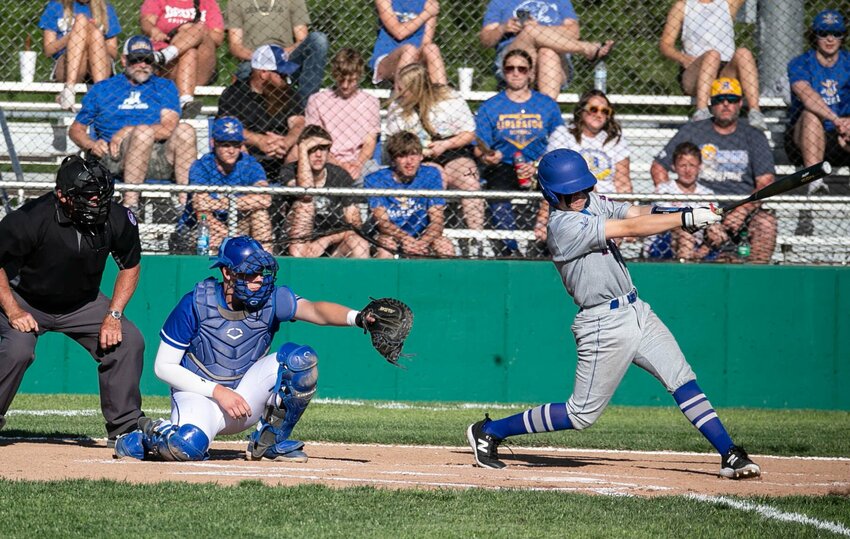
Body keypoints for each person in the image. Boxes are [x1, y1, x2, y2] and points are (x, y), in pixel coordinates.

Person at [467, 149, 761, 481]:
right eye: (570, 191)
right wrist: (683, 220)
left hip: (636, 310)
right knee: (581, 415)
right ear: (551, 193)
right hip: (602, 324)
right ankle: (490, 430)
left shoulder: (590, 201)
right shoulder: (563, 226)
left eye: (582, 187)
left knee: (682, 379)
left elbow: (636, 210)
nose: (578, 195)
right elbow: (632, 227)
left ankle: (730, 453)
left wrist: (687, 210)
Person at [112, 235, 387, 462]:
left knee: (301, 360)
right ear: (227, 272)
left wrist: (358, 317)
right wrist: (218, 392)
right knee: (188, 446)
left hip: (245, 395)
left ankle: (270, 441)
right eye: (250, 273)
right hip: (201, 396)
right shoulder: (196, 302)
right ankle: (146, 434)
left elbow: (316, 311)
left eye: (261, 273)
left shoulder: (272, 298)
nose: (259, 280)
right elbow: (163, 367)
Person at [0, 156, 145, 445]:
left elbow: (130, 265)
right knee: (18, 349)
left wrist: (113, 315)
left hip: (83, 302)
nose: (96, 202)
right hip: (24, 299)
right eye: (87, 196)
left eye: (101, 194)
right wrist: (13, 310)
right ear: (62, 195)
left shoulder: (117, 218)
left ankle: (126, 428)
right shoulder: (30, 218)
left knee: (129, 340)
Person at [650, 77, 777, 263]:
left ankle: (754, 278)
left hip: (741, 209)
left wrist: (741, 211)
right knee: (684, 228)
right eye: (719, 99)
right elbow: (658, 167)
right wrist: (673, 198)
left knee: (767, 224)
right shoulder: (694, 130)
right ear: (711, 103)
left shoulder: (753, 135)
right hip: (697, 207)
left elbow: (766, 182)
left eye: (731, 99)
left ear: (740, 103)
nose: (725, 104)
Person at [68, 35, 198, 214]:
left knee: (185, 130)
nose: (143, 65)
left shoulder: (164, 87)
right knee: (143, 133)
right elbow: (76, 129)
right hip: (114, 157)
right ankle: (131, 207)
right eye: (136, 60)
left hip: (158, 157)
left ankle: (186, 208)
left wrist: (128, 130)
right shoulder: (103, 89)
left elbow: (169, 127)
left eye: (148, 60)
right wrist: (91, 144)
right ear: (124, 60)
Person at [475, 49, 563, 256]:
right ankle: (511, 248)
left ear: (531, 73)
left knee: (558, 188)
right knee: (498, 193)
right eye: (510, 68)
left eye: (522, 69)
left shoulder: (546, 105)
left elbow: (560, 137)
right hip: (503, 164)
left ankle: (545, 244)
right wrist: (487, 155)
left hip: (539, 164)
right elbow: (479, 146)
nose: (516, 73)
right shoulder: (491, 106)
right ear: (503, 72)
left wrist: (541, 161)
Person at [384, 63, 484, 237]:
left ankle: (477, 237)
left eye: (401, 88)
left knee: (470, 178)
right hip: (417, 155)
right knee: (436, 177)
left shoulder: (449, 98)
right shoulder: (398, 107)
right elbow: (393, 144)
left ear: (415, 88)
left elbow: (469, 133)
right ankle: (432, 235)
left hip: (452, 149)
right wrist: (419, 152)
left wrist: (445, 145)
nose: (397, 91)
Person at [660, 0, 766, 129]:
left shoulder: (727, 3)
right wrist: (683, 58)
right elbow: (666, 44)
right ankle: (701, 111)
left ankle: (755, 112)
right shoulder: (683, 6)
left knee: (743, 53)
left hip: (724, 71)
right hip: (695, 69)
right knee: (712, 55)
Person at [480, 0, 614, 99]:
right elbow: (485, 40)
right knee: (530, 31)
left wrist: (539, 29)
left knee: (547, 51)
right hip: (514, 60)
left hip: (556, 64)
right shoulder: (500, 2)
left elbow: (574, 32)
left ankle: (545, 116)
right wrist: (503, 28)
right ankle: (586, 49)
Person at [785, 9, 850, 195]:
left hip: (842, 133)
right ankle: (815, 181)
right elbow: (806, 95)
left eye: (836, 33)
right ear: (814, 35)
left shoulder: (848, 62)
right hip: (804, 136)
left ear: (842, 37)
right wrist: (837, 120)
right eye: (823, 33)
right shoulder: (801, 62)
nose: (830, 39)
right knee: (811, 114)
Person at [218, 44, 304, 180]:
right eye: (280, 74)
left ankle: (292, 193)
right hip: (248, 153)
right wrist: (259, 141)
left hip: (282, 153)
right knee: (236, 145)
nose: (285, 78)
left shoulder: (288, 93)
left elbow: (299, 123)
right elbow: (226, 127)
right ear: (263, 73)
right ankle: (244, 189)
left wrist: (287, 142)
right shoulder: (234, 93)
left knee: (299, 147)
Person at [283, 125, 370, 258]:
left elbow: (355, 223)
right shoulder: (289, 171)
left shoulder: (340, 175)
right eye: (312, 149)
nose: (318, 154)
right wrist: (302, 149)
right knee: (306, 204)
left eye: (323, 149)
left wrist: (326, 240)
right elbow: (306, 192)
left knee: (360, 244)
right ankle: (300, 271)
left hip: (332, 243)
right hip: (295, 243)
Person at [364, 131, 455, 258]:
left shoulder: (431, 174)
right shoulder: (375, 179)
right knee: (386, 247)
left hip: (423, 235)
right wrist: (407, 240)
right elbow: (382, 222)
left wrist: (420, 243)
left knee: (444, 246)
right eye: (402, 156)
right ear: (393, 159)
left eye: (414, 154)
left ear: (421, 156)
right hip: (390, 236)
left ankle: (444, 278)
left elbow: (437, 221)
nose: (409, 161)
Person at [189, 117, 272, 253]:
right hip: (208, 227)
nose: (232, 150)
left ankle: (265, 266)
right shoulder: (201, 165)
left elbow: (265, 198)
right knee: (211, 233)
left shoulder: (249, 164)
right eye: (226, 145)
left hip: (240, 223)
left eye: (236, 145)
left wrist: (224, 203)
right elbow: (201, 207)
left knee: (260, 214)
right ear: (213, 143)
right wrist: (233, 236)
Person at [226, 0, 329, 110]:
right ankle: (252, 114)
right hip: (255, 60)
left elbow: (302, 39)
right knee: (244, 71)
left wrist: (278, 55)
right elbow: (235, 45)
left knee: (318, 39)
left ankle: (306, 107)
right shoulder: (236, 2)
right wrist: (263, 56)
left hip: (286, 57)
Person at [305, 48, 381, 184]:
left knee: (377, 177)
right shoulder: (317, 100)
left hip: (359, 162)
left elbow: (370, 141)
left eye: (351, 80)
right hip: (326, 160)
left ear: (359, 76)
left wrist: (357, 164)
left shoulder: (371, 102)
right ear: (334, 75)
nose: (345, 85)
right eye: (341, 80)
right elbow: (316, 139)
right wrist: (340, 165)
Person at [140, 0, 225, 118]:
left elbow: (218, 38)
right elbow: (146, 22)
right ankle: (186, 102)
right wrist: (154, 31)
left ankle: (167, 54)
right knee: (190, 51)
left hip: (200, 69)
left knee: (198, 28)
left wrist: (190, 32)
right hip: (168, 68)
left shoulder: (207, 2)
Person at [39, 0, 122, 110]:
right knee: (81, 20)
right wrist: (73, 35)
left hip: (98, 64)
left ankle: (99, 95)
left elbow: (114, 52)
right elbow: (48, 50)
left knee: (95, 32)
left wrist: (92, 36)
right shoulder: (56, 6)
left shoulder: (106, 8)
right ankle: (69, 89)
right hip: (68, 64)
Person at [643, 142, 718, 260]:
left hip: (697, 244)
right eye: (682, 165)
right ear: (674, 167)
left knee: (717, 233)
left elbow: (713, 225)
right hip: (662, 243)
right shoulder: (664, 190)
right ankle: (686, 270)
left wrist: (714, 231)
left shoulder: (707, 194)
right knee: (685, 233)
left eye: (692, 165)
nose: (687, 170)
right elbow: (668, 223)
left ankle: (695, 258)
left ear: (700, 166)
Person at [369, 0, 447, 85]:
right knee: (409, 50)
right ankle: (400, 95)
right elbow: (399, 33)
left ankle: (443, 94)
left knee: (432, 49)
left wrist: (415, 57)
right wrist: (426, 13)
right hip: (387, 59)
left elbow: (426, 42)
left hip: (416, 57)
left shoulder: (429, 3)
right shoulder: (385, 1)